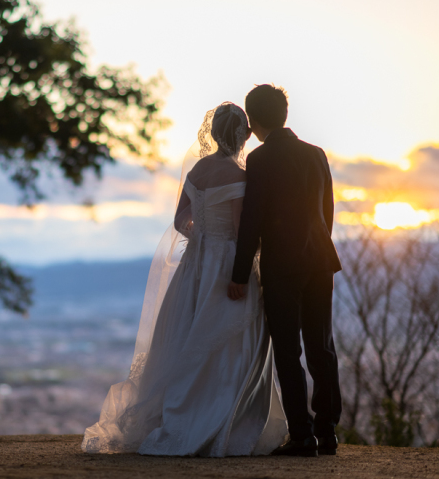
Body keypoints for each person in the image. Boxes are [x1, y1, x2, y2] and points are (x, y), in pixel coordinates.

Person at [81, 102, 288, 456]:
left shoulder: (197, 172)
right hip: (227, 264)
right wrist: (246, 254)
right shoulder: (239, 175)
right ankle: (223, 419)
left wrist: (203, 239)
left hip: (196, 265)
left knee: (187, 333)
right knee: (230, 340)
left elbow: (180, 222)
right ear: (241, 136)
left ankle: (181, 413)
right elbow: (241, 231)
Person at [228, 84, 343, 457]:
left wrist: (239, 273)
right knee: (321, 346)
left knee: (289, 351)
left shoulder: (260, 161)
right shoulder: (316, 154)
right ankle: (327, 433)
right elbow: (327, 211)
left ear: (253, 120)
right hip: (320, 259)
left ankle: (302, 436)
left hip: (283, 266)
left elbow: (253, 221)